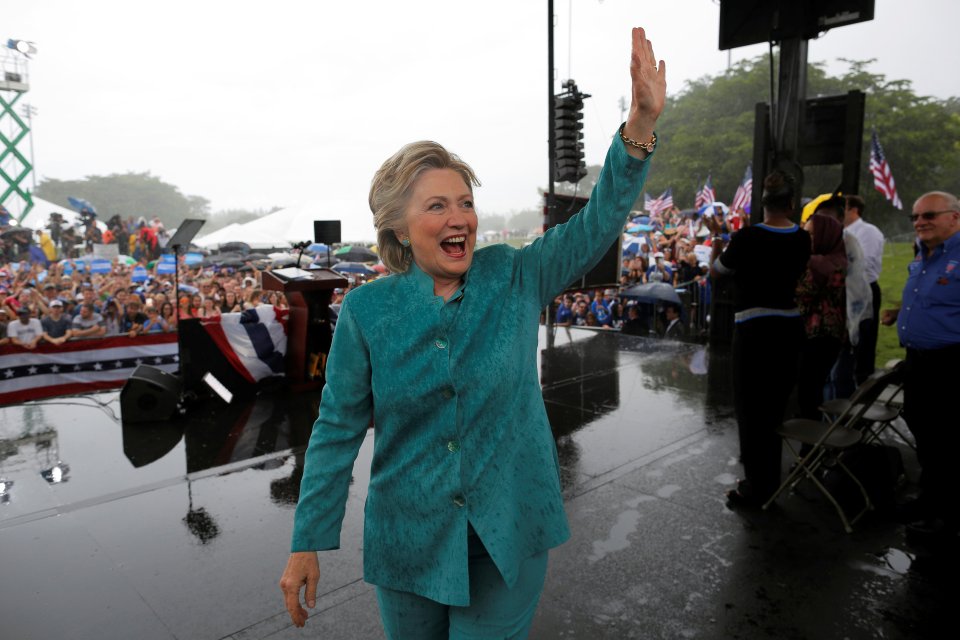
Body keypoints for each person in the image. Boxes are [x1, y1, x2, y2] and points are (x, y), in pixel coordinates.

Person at [279, 26, 666, 638]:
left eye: (464, 202)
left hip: (509, 528)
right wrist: (308, 541)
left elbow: (597, 224)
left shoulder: (514, 274)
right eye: (436, 206)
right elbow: (335, 430)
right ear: (400, 229)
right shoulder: (367, 312)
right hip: (408, 540)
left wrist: (640, 125)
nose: (458, 217)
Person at [707, 170, 811, 508]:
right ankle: (771, 479)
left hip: (754, 330)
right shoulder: (802, 240)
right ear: (792, 204)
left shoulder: (747, 238)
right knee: (775, 407)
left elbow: (717, 273)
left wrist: (718, 243)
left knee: (751, 410)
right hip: (789, 328)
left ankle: (756, 487)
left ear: (761, 203)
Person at [880, 191, 960, 542]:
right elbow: (935, 301)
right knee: (926, 434)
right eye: (915, 217)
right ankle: (930, 499)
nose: (920, 222)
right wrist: (901, 315)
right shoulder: (924, 256)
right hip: (919, 361)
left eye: (929, 215)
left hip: (950, 365)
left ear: (954, 217)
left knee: (948, 441)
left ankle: (947, 518)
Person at [795, 212, 847, 421]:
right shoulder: (841, 261)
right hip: (833, 335)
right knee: (816, 387)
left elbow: (801, 297)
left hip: (814, 336)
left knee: (808, 391)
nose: (807, 239)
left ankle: (811, 446)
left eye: (812, 234)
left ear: (826, 236)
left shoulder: (815, 265)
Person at [843, 195, 884, 384]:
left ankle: (862, 382)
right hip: (847, 291)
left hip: (865, 290)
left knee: (864, 339)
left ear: (853, 210)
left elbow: (863, 265)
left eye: (843, 208)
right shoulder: (843, 231)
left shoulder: (867, 231)